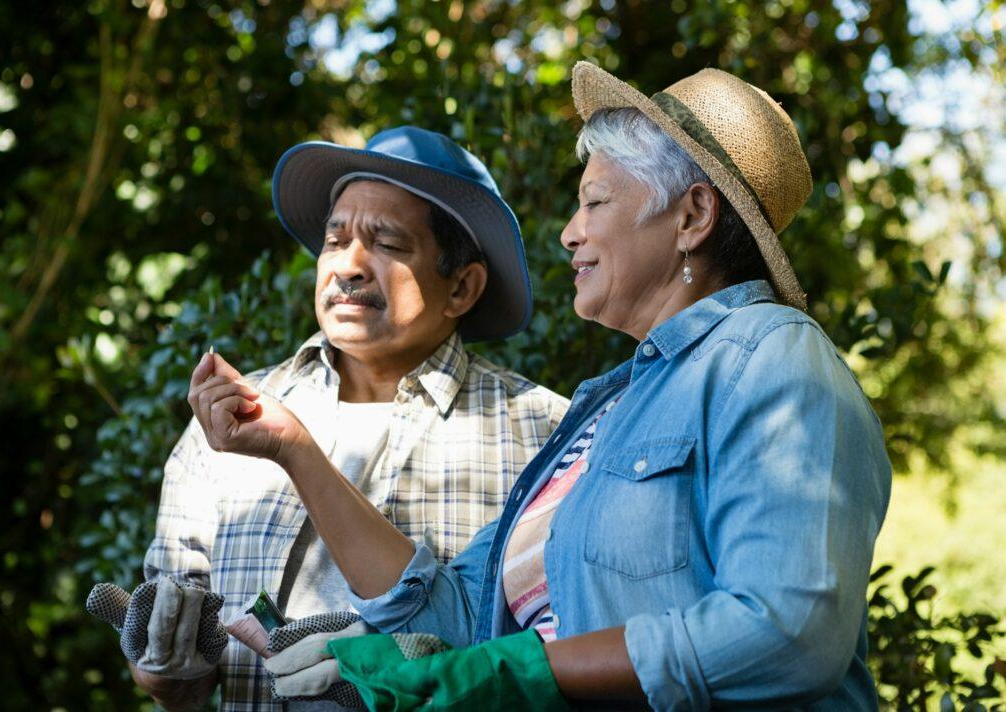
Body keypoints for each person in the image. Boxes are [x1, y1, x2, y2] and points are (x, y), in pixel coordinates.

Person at [188, 64, 892, 710]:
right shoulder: (607, 409)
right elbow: (457, 617)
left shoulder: (774, 357)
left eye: (594, 202)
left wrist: (520, 671)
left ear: (692, 216)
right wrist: (296, 453)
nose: (568, 233)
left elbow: (790, 630)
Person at [115, 126, 569, 711]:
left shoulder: (540, 437)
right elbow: (178, 687)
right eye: (335, 240)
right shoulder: (231, 420)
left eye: (387, 243)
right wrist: (164, 666)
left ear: (461, 287)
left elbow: (553, 657)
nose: (348, 266)